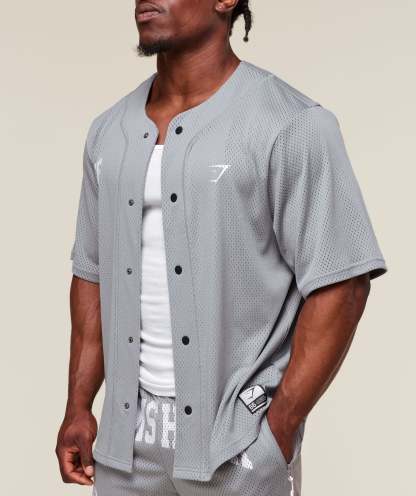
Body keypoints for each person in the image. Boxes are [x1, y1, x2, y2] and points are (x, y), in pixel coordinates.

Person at [55, 1, 388, 495]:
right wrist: (78, 406)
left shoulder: (291, 123)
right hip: (124, 446)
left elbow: (343, 282)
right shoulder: (108, 132)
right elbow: (92, 274)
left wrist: (278, 429)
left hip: (236, 445)